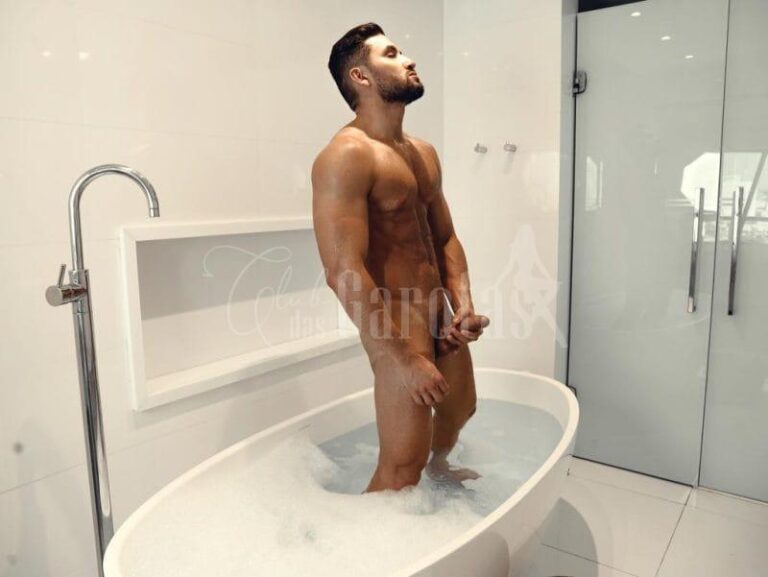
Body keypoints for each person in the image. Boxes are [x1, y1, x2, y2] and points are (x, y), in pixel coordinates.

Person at [312, 22, 490, 492]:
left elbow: (445, 237)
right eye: (391, 54)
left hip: (437, 311)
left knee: (459, 409)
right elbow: (342, 271)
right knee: (401, 464)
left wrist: (463, 305)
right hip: (394, 320)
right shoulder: (346, 156)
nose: (408, 59)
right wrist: (403, 358)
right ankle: (367, 534)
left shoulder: (422, 153)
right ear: (361, 77)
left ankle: (439, 471)